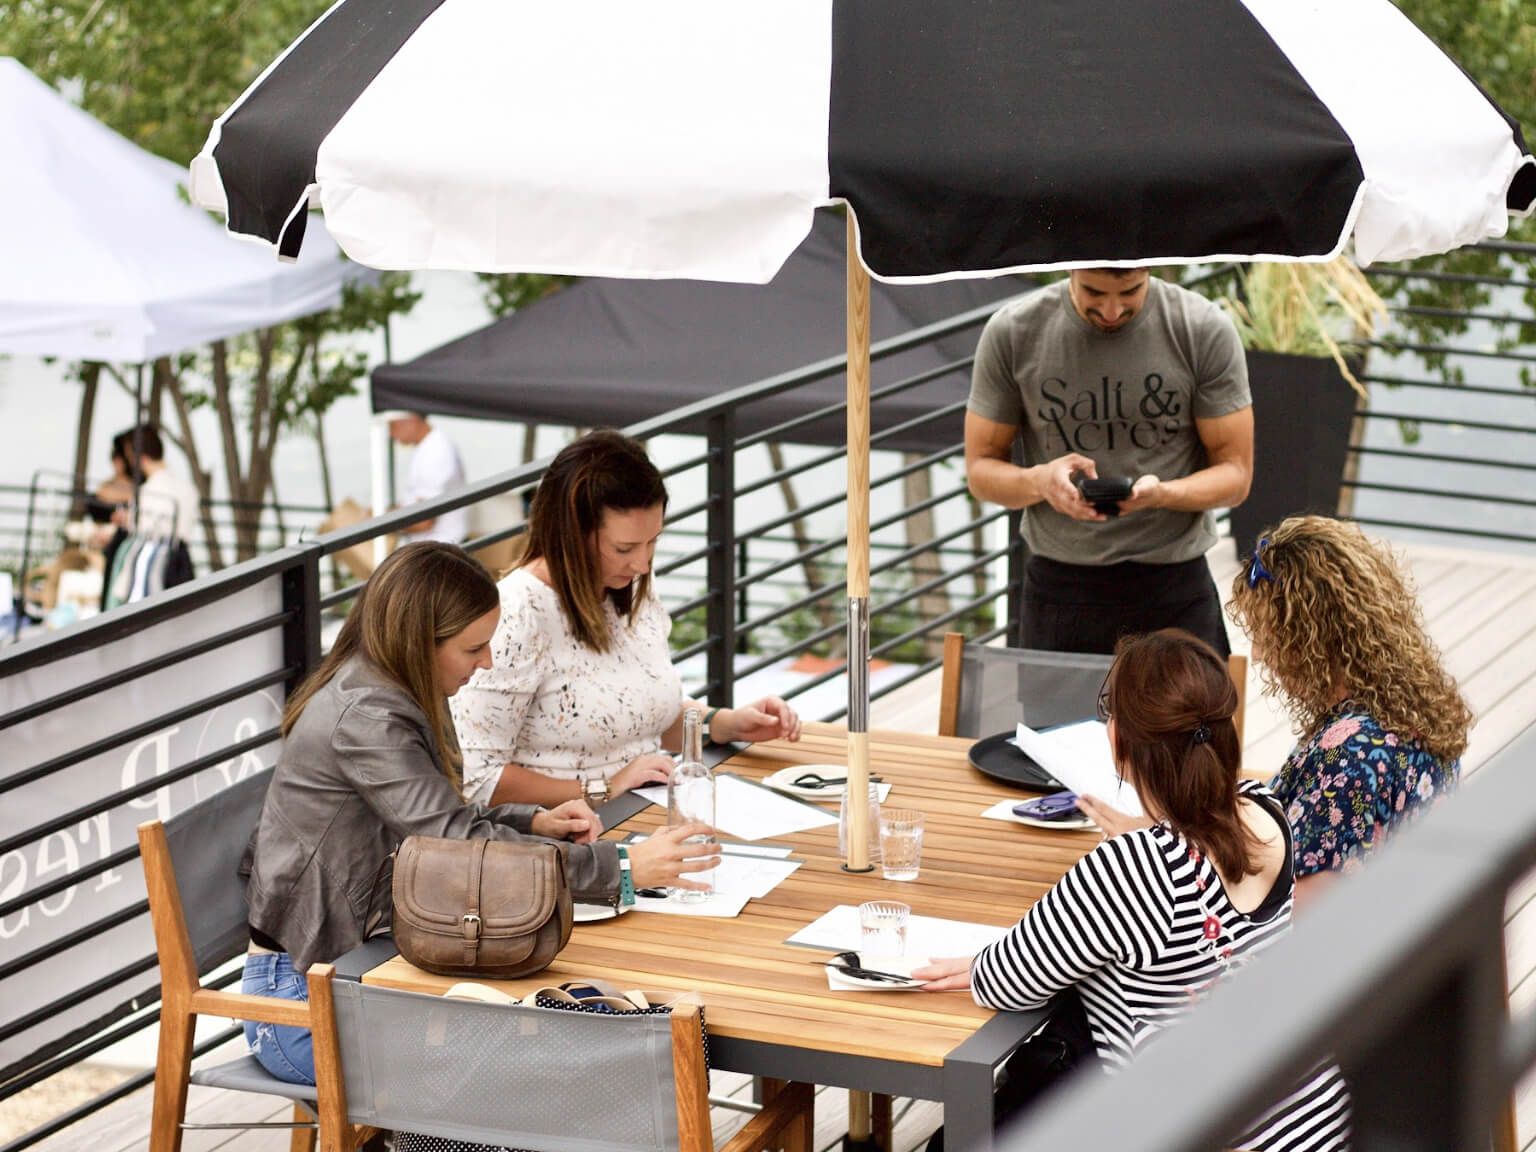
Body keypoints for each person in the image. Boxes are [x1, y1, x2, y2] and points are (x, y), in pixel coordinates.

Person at [240, 541, 716, 1086]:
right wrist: (622, 868)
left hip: (363, 971)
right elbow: (451, 843)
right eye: (474, 650)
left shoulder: (388, 684)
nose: (486, 663)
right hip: (303, 1003)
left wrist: (530, 821)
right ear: (421, 641)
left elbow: (434, 823)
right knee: (543, 1069)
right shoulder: (368, 716)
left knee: (569, 1044)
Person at [915, 630, 1350, 1151]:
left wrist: (983, 961)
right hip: (1317, 1125)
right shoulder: (1266, 811)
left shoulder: (1130, 869)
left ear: (1119, 741)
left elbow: (1005, 982)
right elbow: (1195, 858)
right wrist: (1147, 832)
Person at [451, 429, 802, 808]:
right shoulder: (516, 616)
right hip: (567, 839)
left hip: (647, 811)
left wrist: (725, 723)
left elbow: (638, 719)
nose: (642, 563)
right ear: (570, 534)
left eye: (653, 541)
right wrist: (606, 786)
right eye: (624, 548)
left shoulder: (632, 590)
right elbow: (478, 778)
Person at [965, 268, 1253, 657]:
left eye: (1130, 292)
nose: (1113, 310)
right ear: (1071, 269)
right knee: (1053, 723)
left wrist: (1162, 493)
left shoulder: (1201, 328)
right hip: (1060, 591)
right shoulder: (1014, 331)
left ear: (1149, 270)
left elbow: (1236, 476)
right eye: (1094, 292)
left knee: (1192, 721)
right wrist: (1041, 481)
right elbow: (981, 472)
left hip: (1174, 586)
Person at [1225, 515, 1471, 905]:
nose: (1257, 654)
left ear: (1313, 637)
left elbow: (1300, 916)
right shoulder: (1414, 707)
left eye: (1268, 636)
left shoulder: (1348, 759)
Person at [114, 423, 200, 546]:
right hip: (182, 558)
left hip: (155, 557)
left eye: (130, 457)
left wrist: (127, 520)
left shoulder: (146, 492)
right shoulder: (189, 489)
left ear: (139, 457)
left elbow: (142, 533)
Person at [389, 410, 468, 543]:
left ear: (411, 420)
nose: (390, 434)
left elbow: (424, 521)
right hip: (436, 546)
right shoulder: (429, 446)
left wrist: (386, 525)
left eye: (393, 426)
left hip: (441, 548)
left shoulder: (435, 453)